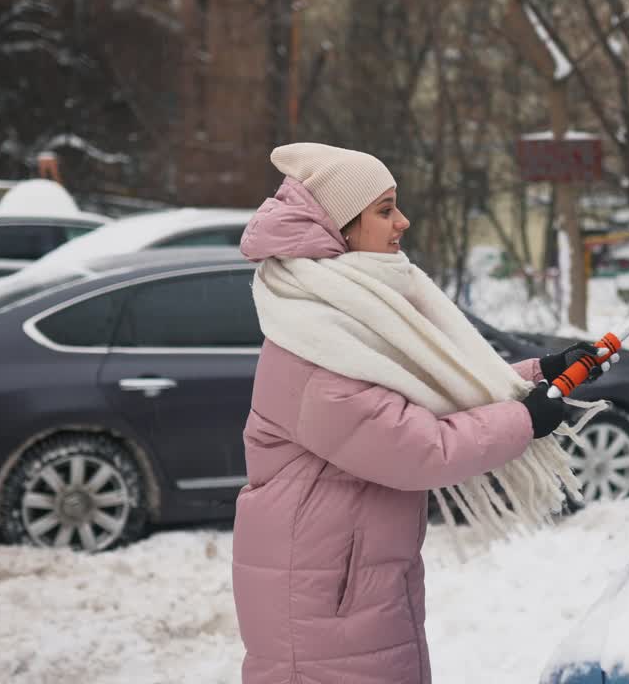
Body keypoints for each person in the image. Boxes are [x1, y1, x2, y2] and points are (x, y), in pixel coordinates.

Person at [232, 142, 609, 684]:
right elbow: (420, 449)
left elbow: (428, 388)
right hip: (319, 608)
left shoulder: (345, 320)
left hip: (350, 586)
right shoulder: (313, 348)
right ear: (338, 228)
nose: (401, 222)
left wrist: (536, 375)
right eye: (385, 210)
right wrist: (525, 419)